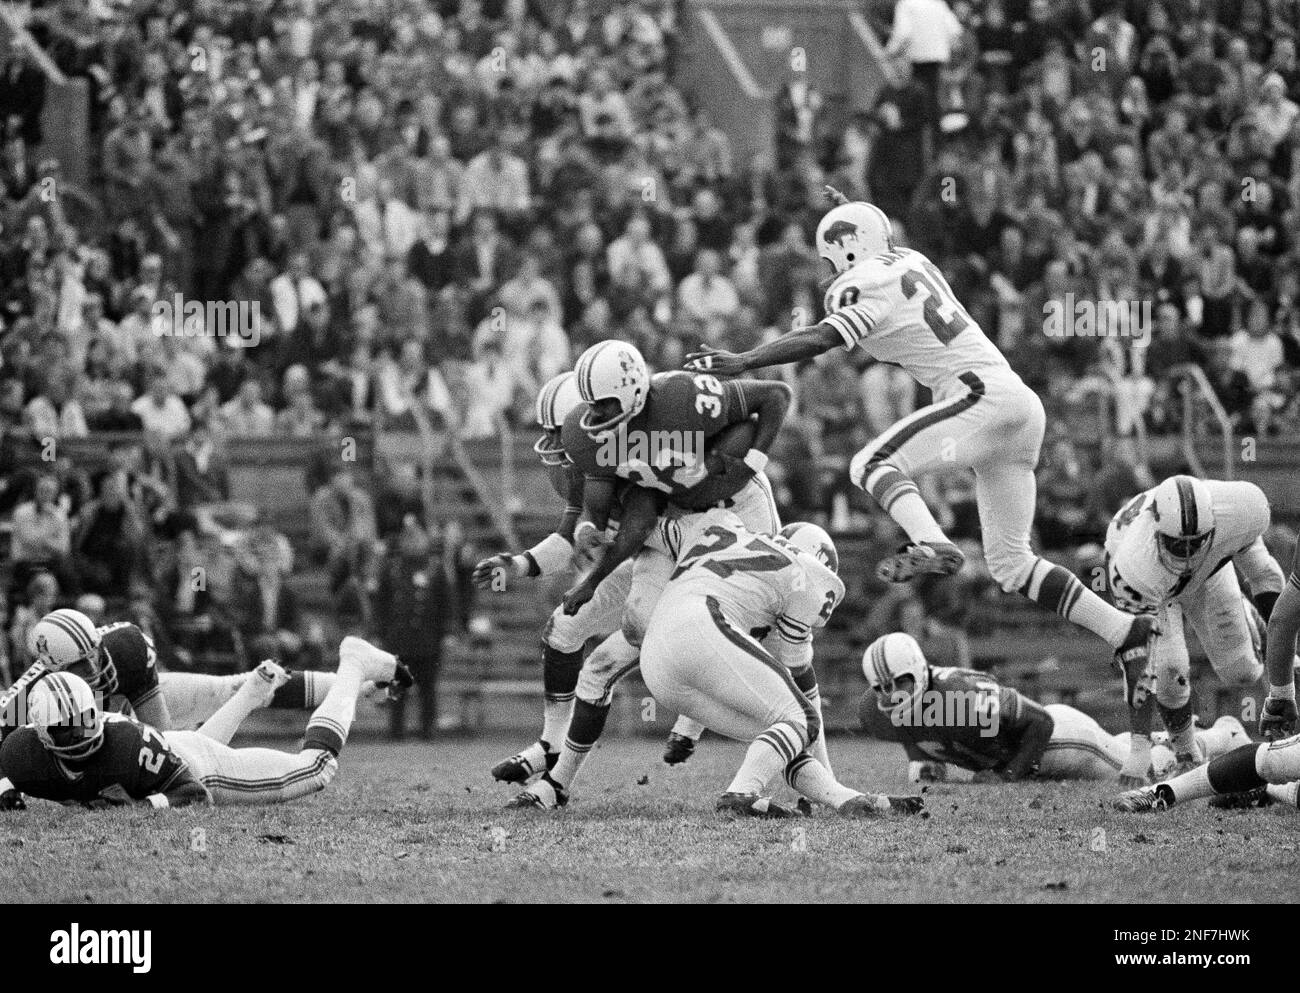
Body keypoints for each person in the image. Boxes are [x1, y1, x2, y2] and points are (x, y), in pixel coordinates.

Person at [685, 188, 1156, 692]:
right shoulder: (909, 257)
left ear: (848, 252)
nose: (829, 272)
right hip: (1017, 406)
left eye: (831, 259)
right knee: (1012, 564)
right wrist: (853, 211)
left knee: (870, 463)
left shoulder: (858, 283)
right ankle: (1123, 630)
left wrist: (744, 361)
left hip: (980, 397)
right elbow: (875, 247)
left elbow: (822, 338)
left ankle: (932, 540)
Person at [641, 510, 923, 818]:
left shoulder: (730, 535)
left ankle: (845, 799)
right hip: (700, 625)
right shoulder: (809, 573)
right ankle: (741, 793)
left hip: (656, 660)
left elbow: (641, 527)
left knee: (785, 737)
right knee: (800, 720)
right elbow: (799, 672)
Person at [1, 639, 407, 808]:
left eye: (86, 720)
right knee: (188, 741)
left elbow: (192, 790)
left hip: (195, 767)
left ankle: (353, 663)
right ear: (40, 734)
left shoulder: (122, 742)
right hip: (173, 746)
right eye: (67, 728)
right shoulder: (20, 754)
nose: (81, 732)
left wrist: (146, 806)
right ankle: (251, 692)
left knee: (317, 769)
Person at [860, 632, 1247, 783]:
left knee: (1151, 771)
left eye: (900, 683)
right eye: (883, 689)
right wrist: (925, 760)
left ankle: (1223, 735)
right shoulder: (880, 711)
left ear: (919, 672)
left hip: (1057, 741)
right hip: (1026, 743)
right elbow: (914, 732)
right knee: (1121, 743)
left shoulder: (959, 700)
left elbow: (1039, 722)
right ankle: (1212, 734)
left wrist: (1008, 775)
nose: (892, 696)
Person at [1105, 476, 1282, 784]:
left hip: (1211, 566)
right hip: (1155, 586)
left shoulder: (1243, 510)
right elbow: (1138, 661)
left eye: (1193, 543)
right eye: (1177, 545)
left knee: (1242, 672)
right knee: (1168, 669)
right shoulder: (1133, 563)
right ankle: (1188, 753)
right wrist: (1139, 748)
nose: (1186, 555)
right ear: (1158, 529)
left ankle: (1244, 612)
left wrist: (1282, 644)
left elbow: (1265, 575)